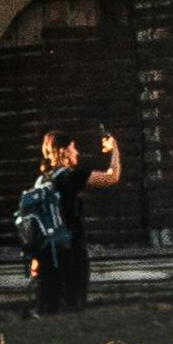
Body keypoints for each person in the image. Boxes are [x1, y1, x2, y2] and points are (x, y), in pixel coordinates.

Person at [15, 125, 121, 313]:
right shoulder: (72, 176)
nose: (77, 152)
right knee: (73, 302)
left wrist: (35, 256)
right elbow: (111, 177)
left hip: (47, 252)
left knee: (50, 303)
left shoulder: (43, 181)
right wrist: (115, 149)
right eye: (73, 148)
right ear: (63, 151)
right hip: (70, 248)